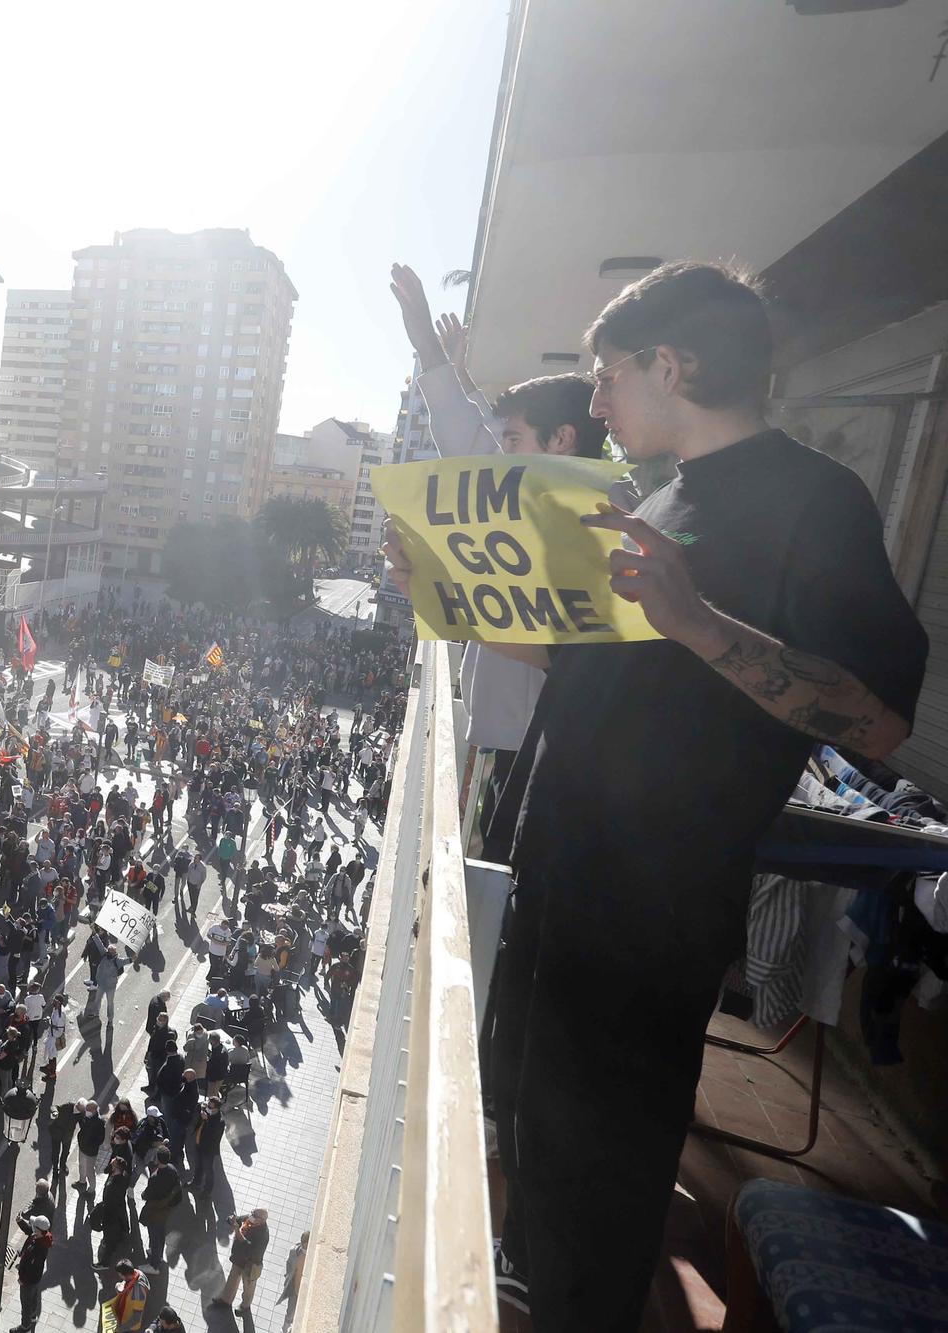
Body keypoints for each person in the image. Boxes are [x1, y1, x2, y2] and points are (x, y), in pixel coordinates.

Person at [385, 261, 929, 1331]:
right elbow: (579, 662)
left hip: (652, 914)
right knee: (535, 1133)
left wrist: (699, 624)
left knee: (603, 1172)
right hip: (560, 875)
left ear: (668, 365)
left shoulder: (813, 502)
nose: (593, 402)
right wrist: (444, 599)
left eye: (605, 376)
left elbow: (876, 719)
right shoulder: (652, 497)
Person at [387, 262, 607, 848]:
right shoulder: (537, 498)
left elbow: (565, 655)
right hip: (506, 740)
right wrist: (438, 358)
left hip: (536, 754)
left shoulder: (599, 516)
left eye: (511, 441)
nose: (496, 453)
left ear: (561, 441)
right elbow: (468, 435)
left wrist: (436, 596)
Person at [214, 1208, 268, 1314]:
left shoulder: (263, 1234)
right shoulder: (250, 1218)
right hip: (239, 1258)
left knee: (248, 1287)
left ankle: (245, 1306)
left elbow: (248, 1247)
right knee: (232, 1278)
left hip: (250, 1264)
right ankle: (226, 1300)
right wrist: (231, 1219)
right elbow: (237, 1219)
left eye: (255, 1215)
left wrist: (237, 1231)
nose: (251, 1215)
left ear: (262, 1220)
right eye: (252, 1212)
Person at [7, 1213, 52, 1333]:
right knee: (33, 1298)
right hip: (35, 1279)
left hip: (29, 1280)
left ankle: (25, 1326)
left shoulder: (38, 1248)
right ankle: (32, 1317)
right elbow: (29, 1230)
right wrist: (20, 1221)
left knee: (26, 1303)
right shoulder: (41, 1237)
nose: (32, 1228)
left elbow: (32, 1268)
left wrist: (23, 1279)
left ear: (38, 1230)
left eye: (34, 1226)